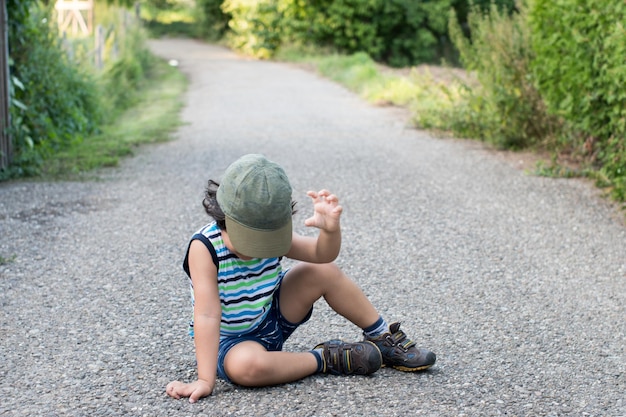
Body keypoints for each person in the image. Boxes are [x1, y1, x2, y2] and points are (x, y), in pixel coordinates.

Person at [166, 154, 436, 403]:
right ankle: (325, 359)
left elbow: (321, 254)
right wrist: (205, 379)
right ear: (223, 216)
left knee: (322, 271)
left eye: (267, 240)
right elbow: (207, 315)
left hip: (272, 316)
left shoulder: (273, 237)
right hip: (231, 340)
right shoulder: (205, 248)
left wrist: (330, 231)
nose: (261, 249)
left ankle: (381, 338)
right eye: (252, 240)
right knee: (247, 367)